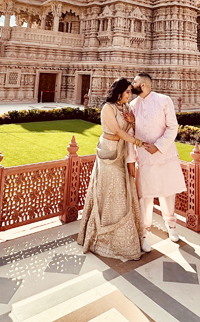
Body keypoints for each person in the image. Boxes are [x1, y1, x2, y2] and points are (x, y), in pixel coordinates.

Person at [78, 78, 147, 261]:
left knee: (123, 191)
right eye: (127, 92)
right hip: (108, 152)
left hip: (122, 152)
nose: (129, 95)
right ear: (118, 93)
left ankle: (123, 239)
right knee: (110, 189)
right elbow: (117, 131)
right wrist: (140, 143)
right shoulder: (108, 108)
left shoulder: (126, 108)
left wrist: (133, 121)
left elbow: (129, 129)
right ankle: (102, 238)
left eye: (130, 92)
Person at [130, 72, 187, 252]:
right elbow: (131, 134)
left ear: (143, 85)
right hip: (144, 158)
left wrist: (159, 146)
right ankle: (143, 233)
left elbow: (173, 126)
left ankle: (171, 225)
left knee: (167, 193)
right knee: (145, 196)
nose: (132, 85)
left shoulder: (164, 100)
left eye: (135, 82)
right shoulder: (132, 106)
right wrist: (131, 160)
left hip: (164, 156)